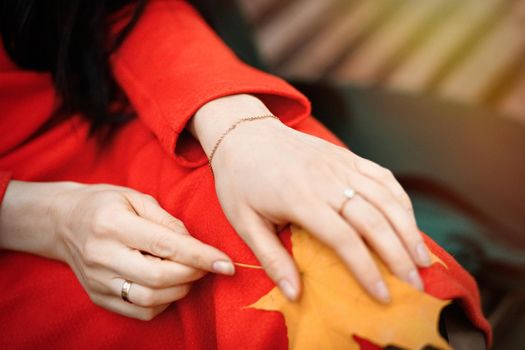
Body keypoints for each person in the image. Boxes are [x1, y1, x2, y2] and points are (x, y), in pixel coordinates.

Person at [0, 0, 490, 348]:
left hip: (120, 94)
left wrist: (236, 125)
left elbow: (115, 12)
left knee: (368, 277)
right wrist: (44, 219)